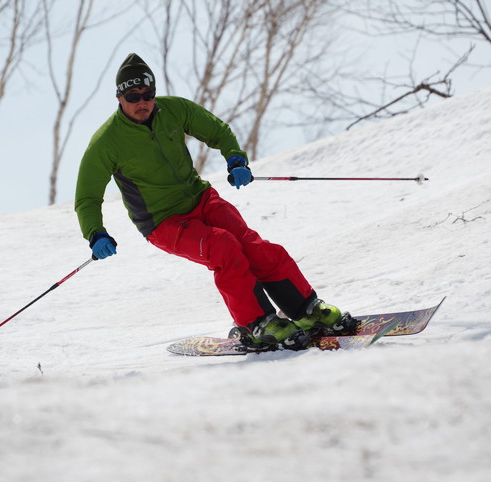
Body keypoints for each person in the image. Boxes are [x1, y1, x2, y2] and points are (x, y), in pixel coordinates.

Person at [75, 53, 355, 349]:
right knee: (223, 248)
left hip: (201, 198)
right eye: (133, 96)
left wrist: (235, 159)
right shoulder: (107, 142)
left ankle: (307, 310)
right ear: (120, 97)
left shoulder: (173, 109)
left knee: (256, 248)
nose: (142, 102)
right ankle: (257, 323)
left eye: (148, 94)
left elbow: (217, 130)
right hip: (162, 222)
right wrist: (95, 233)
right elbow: (87, 197)